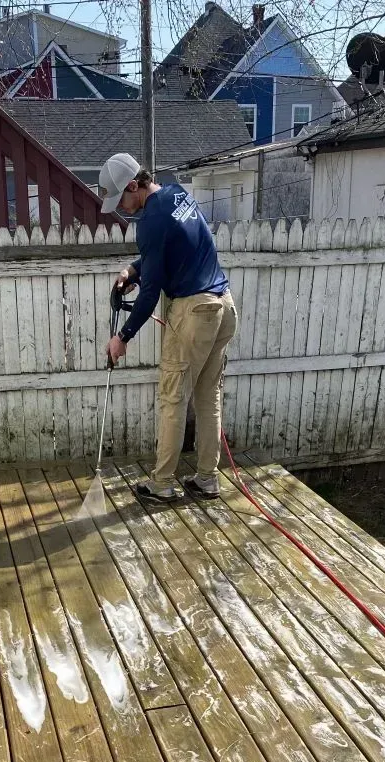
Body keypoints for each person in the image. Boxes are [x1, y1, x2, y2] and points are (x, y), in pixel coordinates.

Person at [100, 151, 237, 502]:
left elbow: (149, 296)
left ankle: (162, 485)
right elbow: (168, 249)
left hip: (193, 311)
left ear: (134, 185)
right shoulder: (177, 194)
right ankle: (208, 479)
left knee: (173, 400)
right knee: (208, 397)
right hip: (223, 306)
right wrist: (132, 270)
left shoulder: (149, 222)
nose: (123, 210)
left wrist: (122, 337)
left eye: (123, 201)